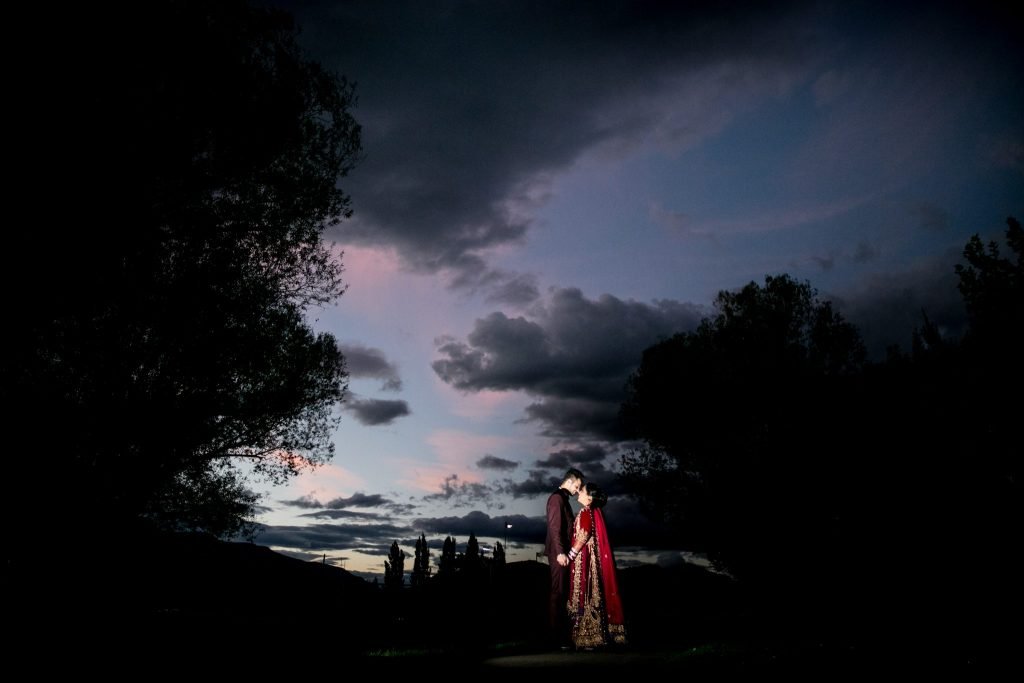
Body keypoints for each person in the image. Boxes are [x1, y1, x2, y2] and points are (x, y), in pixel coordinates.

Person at [566, 482, 627, 649]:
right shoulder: (591, 512)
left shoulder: (586, 512)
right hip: (585, 559)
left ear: (589, 498)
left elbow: (583, 535)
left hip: (585, 562)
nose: (578, 492)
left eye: (582, 490)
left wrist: (570, 555)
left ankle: (591, 636)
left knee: (587, 594)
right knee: (590, 593)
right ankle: (593, 636)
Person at [545, 467, 583, 649]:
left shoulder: (563, 499)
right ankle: (556, 638)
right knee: (558, 594)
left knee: (561, 594)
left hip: (562, 553)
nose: (578, 490)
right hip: (558, 554)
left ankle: (561, 636)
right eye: (577, 486)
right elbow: (554, 528)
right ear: (569, 481)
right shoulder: (556, 499)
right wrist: (560, 552)